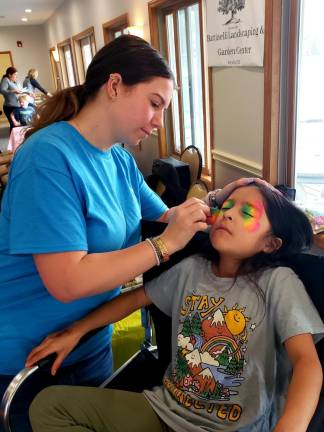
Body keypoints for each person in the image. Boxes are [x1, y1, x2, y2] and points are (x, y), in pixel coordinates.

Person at [0, 34, 250, 432]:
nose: (158, 121)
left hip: (90, 339)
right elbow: (67, 280)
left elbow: (166, 218)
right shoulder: (47, 158)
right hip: (31, 355)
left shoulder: (118, 158)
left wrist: (216, 208)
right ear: (114, 86)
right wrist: (166, 244)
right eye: (155, 104)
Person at [28, 183, 324, 432]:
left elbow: (307, 364)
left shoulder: (278, 282)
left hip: (233, 427)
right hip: (165, 411)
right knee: (48, 405)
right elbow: (132, 300)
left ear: (270, 244)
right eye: (227, 207)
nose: (229, 215)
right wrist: (76, 331)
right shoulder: (192, 269)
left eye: (246, 213)